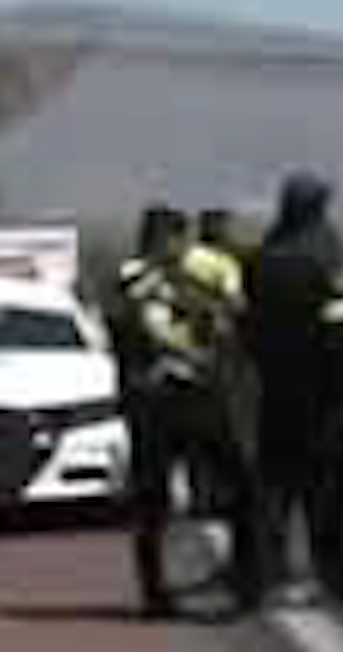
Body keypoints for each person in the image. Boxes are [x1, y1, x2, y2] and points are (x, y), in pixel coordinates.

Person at [112, 204, 264, 618]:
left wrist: (219, 309)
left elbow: (235, 307)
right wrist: (197, 320)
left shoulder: (208, 267)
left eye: (175, 239)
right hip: (154, 398)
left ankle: (248, 582)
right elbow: (150, 323)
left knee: (243, 485)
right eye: (162, 241)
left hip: (201, 394)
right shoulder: (136, 275)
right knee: (152, 499)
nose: (170, 247)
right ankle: (154, 593)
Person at [242, 173, 343, 607]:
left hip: (276, 389)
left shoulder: (262, 259)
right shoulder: (328, 258)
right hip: (324, 393)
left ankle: (265, 578)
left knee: (274, 491)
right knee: (328, 492)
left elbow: (248, 327)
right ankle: (335, 578)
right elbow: (342, 333)